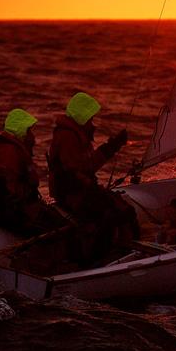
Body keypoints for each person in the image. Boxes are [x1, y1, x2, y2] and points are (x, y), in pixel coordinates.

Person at [47, 92, 138, 264]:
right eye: (90, 118)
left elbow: (87, 166)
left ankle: (121, 249)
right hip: (72, 194)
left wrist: (113, 145)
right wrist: (112, 146)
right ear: (82, 117)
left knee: (124, 210)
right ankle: (96, 260)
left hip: (80, 190)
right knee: (110, 214)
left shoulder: (74, 133)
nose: (92, 122)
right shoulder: (68, 137)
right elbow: (84, 167)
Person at [0, 108, 69, 237]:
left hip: (21, 210)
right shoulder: (9, 153)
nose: (32, 136)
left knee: (59, 218)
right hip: (17, 214)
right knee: (62, 227)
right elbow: (8, 193)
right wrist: (28, 211)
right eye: (29, 130)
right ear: (21, 131)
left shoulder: (10, 150)